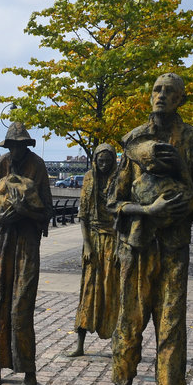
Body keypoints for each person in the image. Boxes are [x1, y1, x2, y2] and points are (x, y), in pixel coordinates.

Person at [88, 73, 193, 385]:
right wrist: (147, 211)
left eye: (170, 92)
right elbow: (112, 202)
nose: (161, 96)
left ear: (180, 100)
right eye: (157, 89)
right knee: (127, 333)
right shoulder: (132, 140)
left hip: (174, 253)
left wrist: (182, 176)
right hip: (136, 251)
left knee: (171, 337)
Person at [0, 122, 53, 385]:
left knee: (21, 307)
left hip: (27, 241)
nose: (15, 151)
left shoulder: (38, 167)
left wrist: (24, 211)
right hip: (4, 241)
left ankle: (29, 372)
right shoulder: (0, 165)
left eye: (19, 146)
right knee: (0, 302)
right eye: (11, 146)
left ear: (26, 146)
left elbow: (47, 211)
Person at [71, 144, 119, 356]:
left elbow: (122, 216)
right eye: (100, 160)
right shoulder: (89, 178)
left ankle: (117, 343)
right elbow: (83, 215)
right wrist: (88, 244)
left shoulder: (119, 179)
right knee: (88, 290)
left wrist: (119, 246)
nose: (104, 164)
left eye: (108, 160)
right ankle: (80, 343)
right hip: (93, 240)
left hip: (113, 240)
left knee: (112, 289)